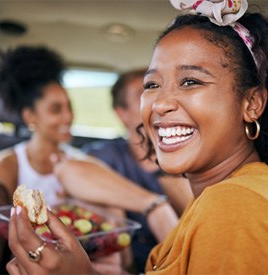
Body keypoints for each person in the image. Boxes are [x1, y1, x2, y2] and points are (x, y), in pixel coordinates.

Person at [6, 0, 268, 274]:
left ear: (251, 103)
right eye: (152, 85)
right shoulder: (213, 198)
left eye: (191, 81)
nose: (159, 104)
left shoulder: (237, 203)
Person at [82, 68, 193, 272]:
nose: (158, 100)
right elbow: (70, 169)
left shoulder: (188, 158)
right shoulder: (107, 154)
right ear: (121, 113)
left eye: (159, 88)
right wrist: (154, 206)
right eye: (146, 91)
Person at [0, 45, 93, 206]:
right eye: (56, 110)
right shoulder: (8, 165)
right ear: (30, 116)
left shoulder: (82, 163)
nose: (68, 116)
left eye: (69, 107)